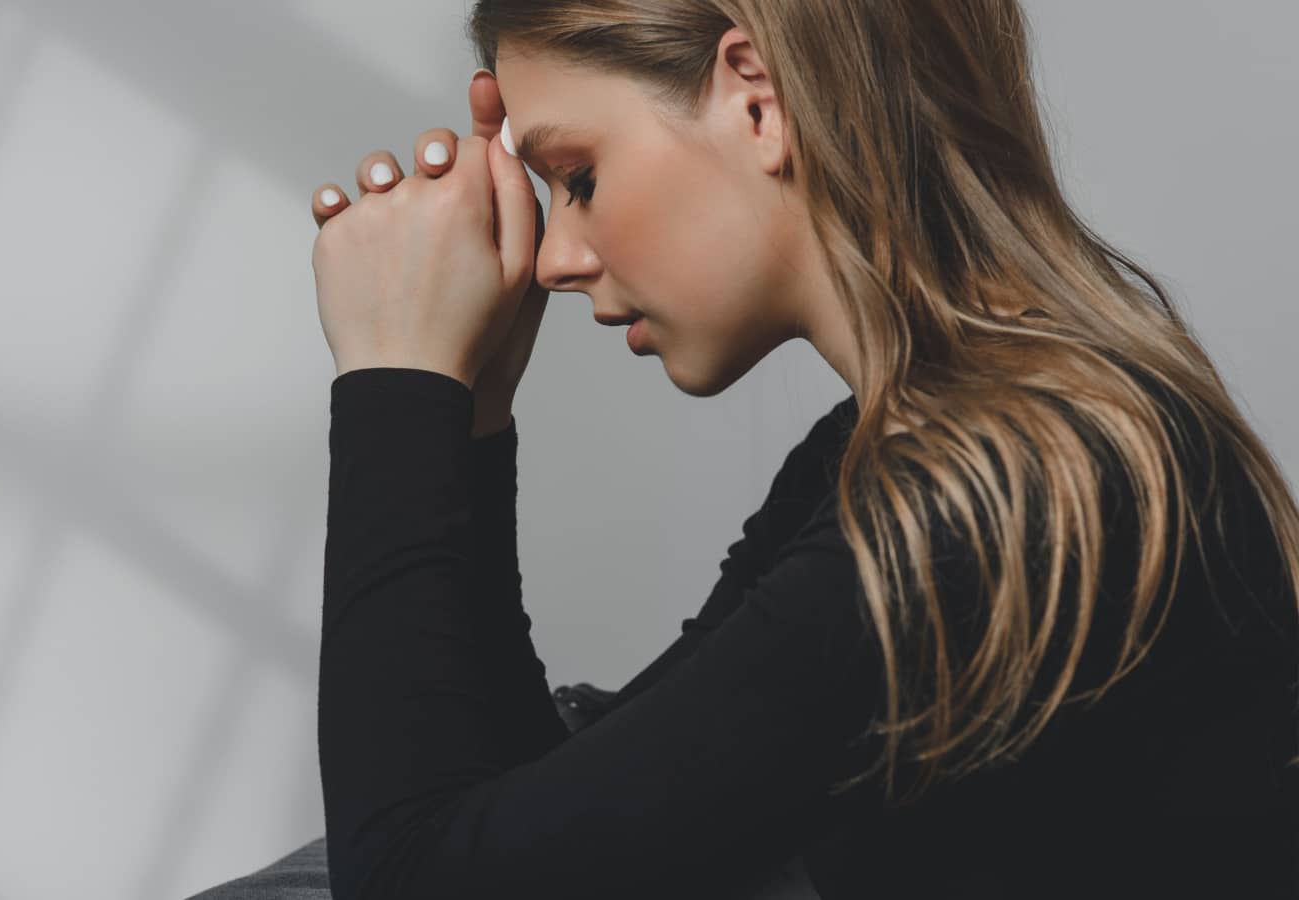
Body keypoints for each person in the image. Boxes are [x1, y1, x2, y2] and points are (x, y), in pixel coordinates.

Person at [284, 1, 1299, 898]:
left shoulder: (990, 502)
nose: (555, 257)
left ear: (755, 100)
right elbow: (546, 840)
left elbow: (415, 883)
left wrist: (394, 385)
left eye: (579, 176)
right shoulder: (935, 447)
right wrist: (468, 417)